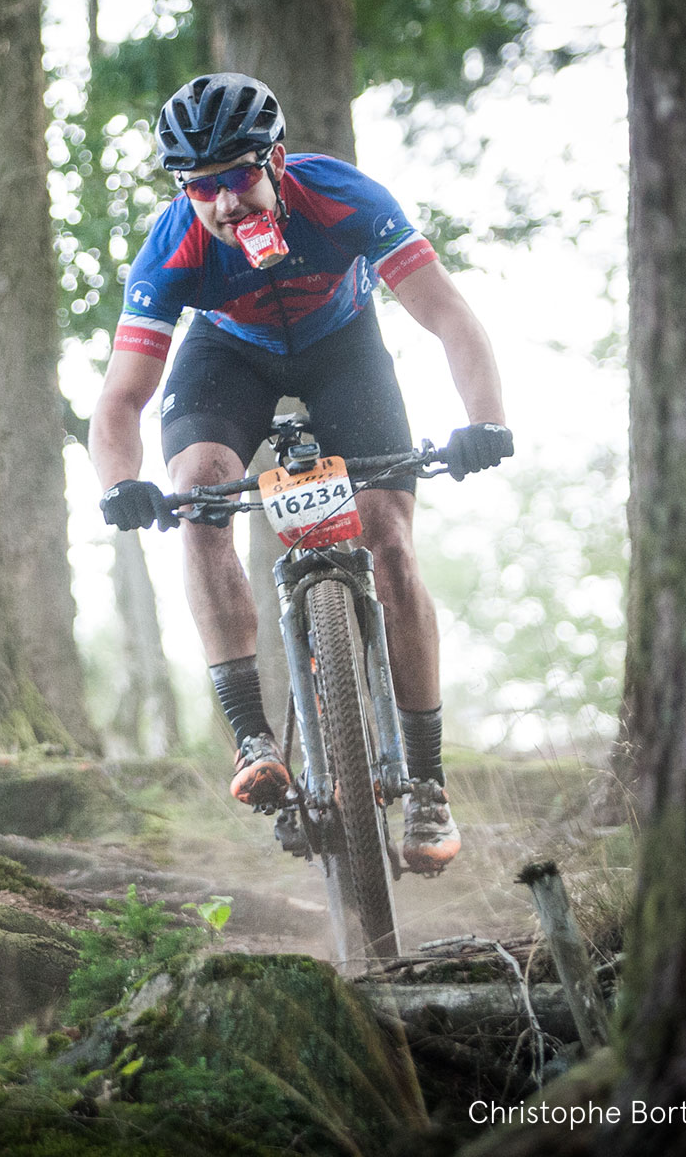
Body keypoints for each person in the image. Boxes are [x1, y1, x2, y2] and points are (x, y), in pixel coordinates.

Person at [91, 73, 511, 875]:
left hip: (344, 349)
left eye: (237, 177)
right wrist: (122, 482)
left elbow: (448, 314)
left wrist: (484, 422)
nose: (222, 204)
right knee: (200, 490)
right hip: (227, 360)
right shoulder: (172, 247)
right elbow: (122, 396)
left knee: (389, 538)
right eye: (199, 187)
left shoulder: (342, 198)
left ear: (276, 161)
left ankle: (426, 780)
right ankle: (253, 734)